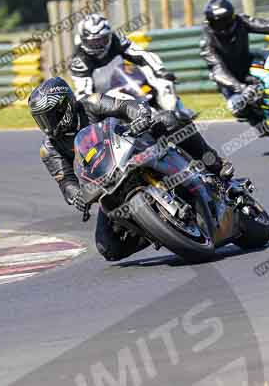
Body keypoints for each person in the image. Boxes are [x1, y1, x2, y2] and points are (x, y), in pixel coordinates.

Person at [29, 77, 233, 261]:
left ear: (65, 106)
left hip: (134, 144)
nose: (46, 125)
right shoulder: (49, 149)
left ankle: (214, 163)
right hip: (108, 183)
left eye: (49, 116)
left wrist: (140, 116)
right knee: (108, 247)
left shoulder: (91, 103)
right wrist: (77, 197)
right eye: (41, 120)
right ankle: (157, 227)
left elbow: (125, 106)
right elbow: (66, 182)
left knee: (170, 120)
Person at [70, 13, 175, 101]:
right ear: (83, 39)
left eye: (102, 40)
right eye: (93, 42)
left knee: (164, 84)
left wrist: (160, 70)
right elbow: (84, 94)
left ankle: (177, 113)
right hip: (103, 97)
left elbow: (140, 54)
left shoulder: (116, 40)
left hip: (124, 82)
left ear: (109, 36)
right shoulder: (79, 61)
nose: (98, 45)